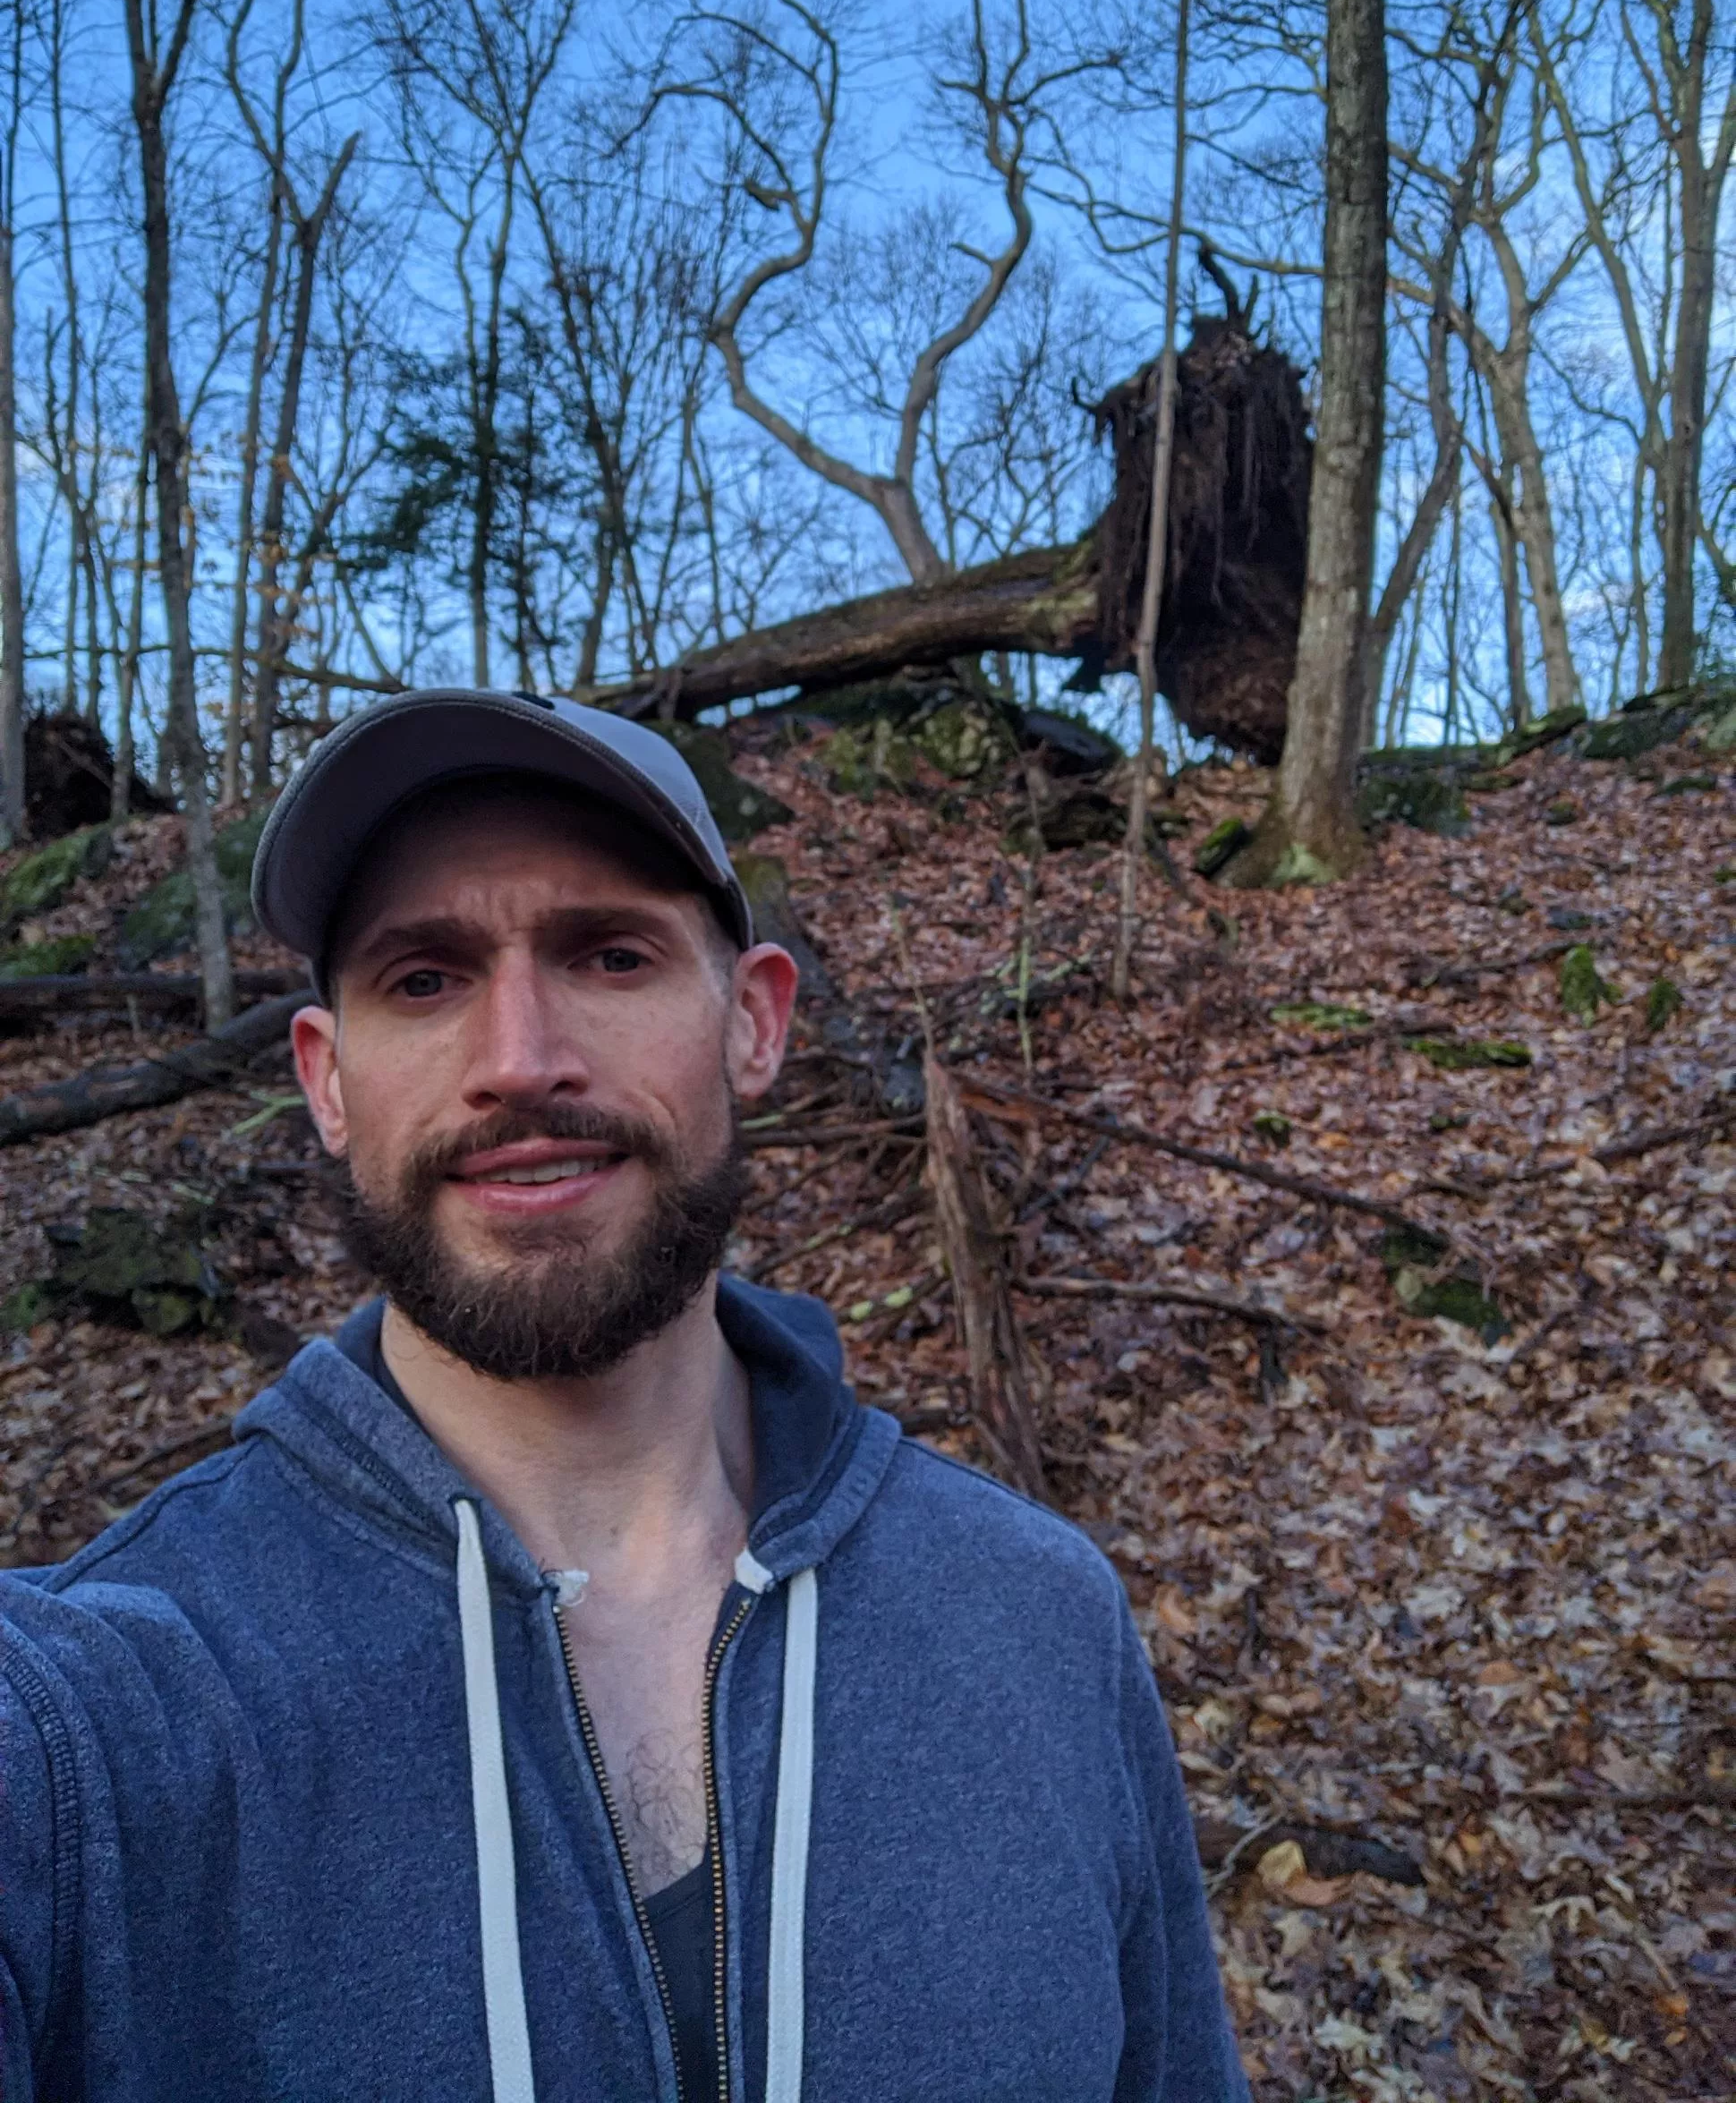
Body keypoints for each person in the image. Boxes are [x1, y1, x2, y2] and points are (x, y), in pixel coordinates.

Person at [0, 689, 1248, 2103]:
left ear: (755, 1025)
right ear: (326, 1083)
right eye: (424, 979)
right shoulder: (92, 1728)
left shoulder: (1042, 1625)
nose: (522, 1056)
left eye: (609, 954)